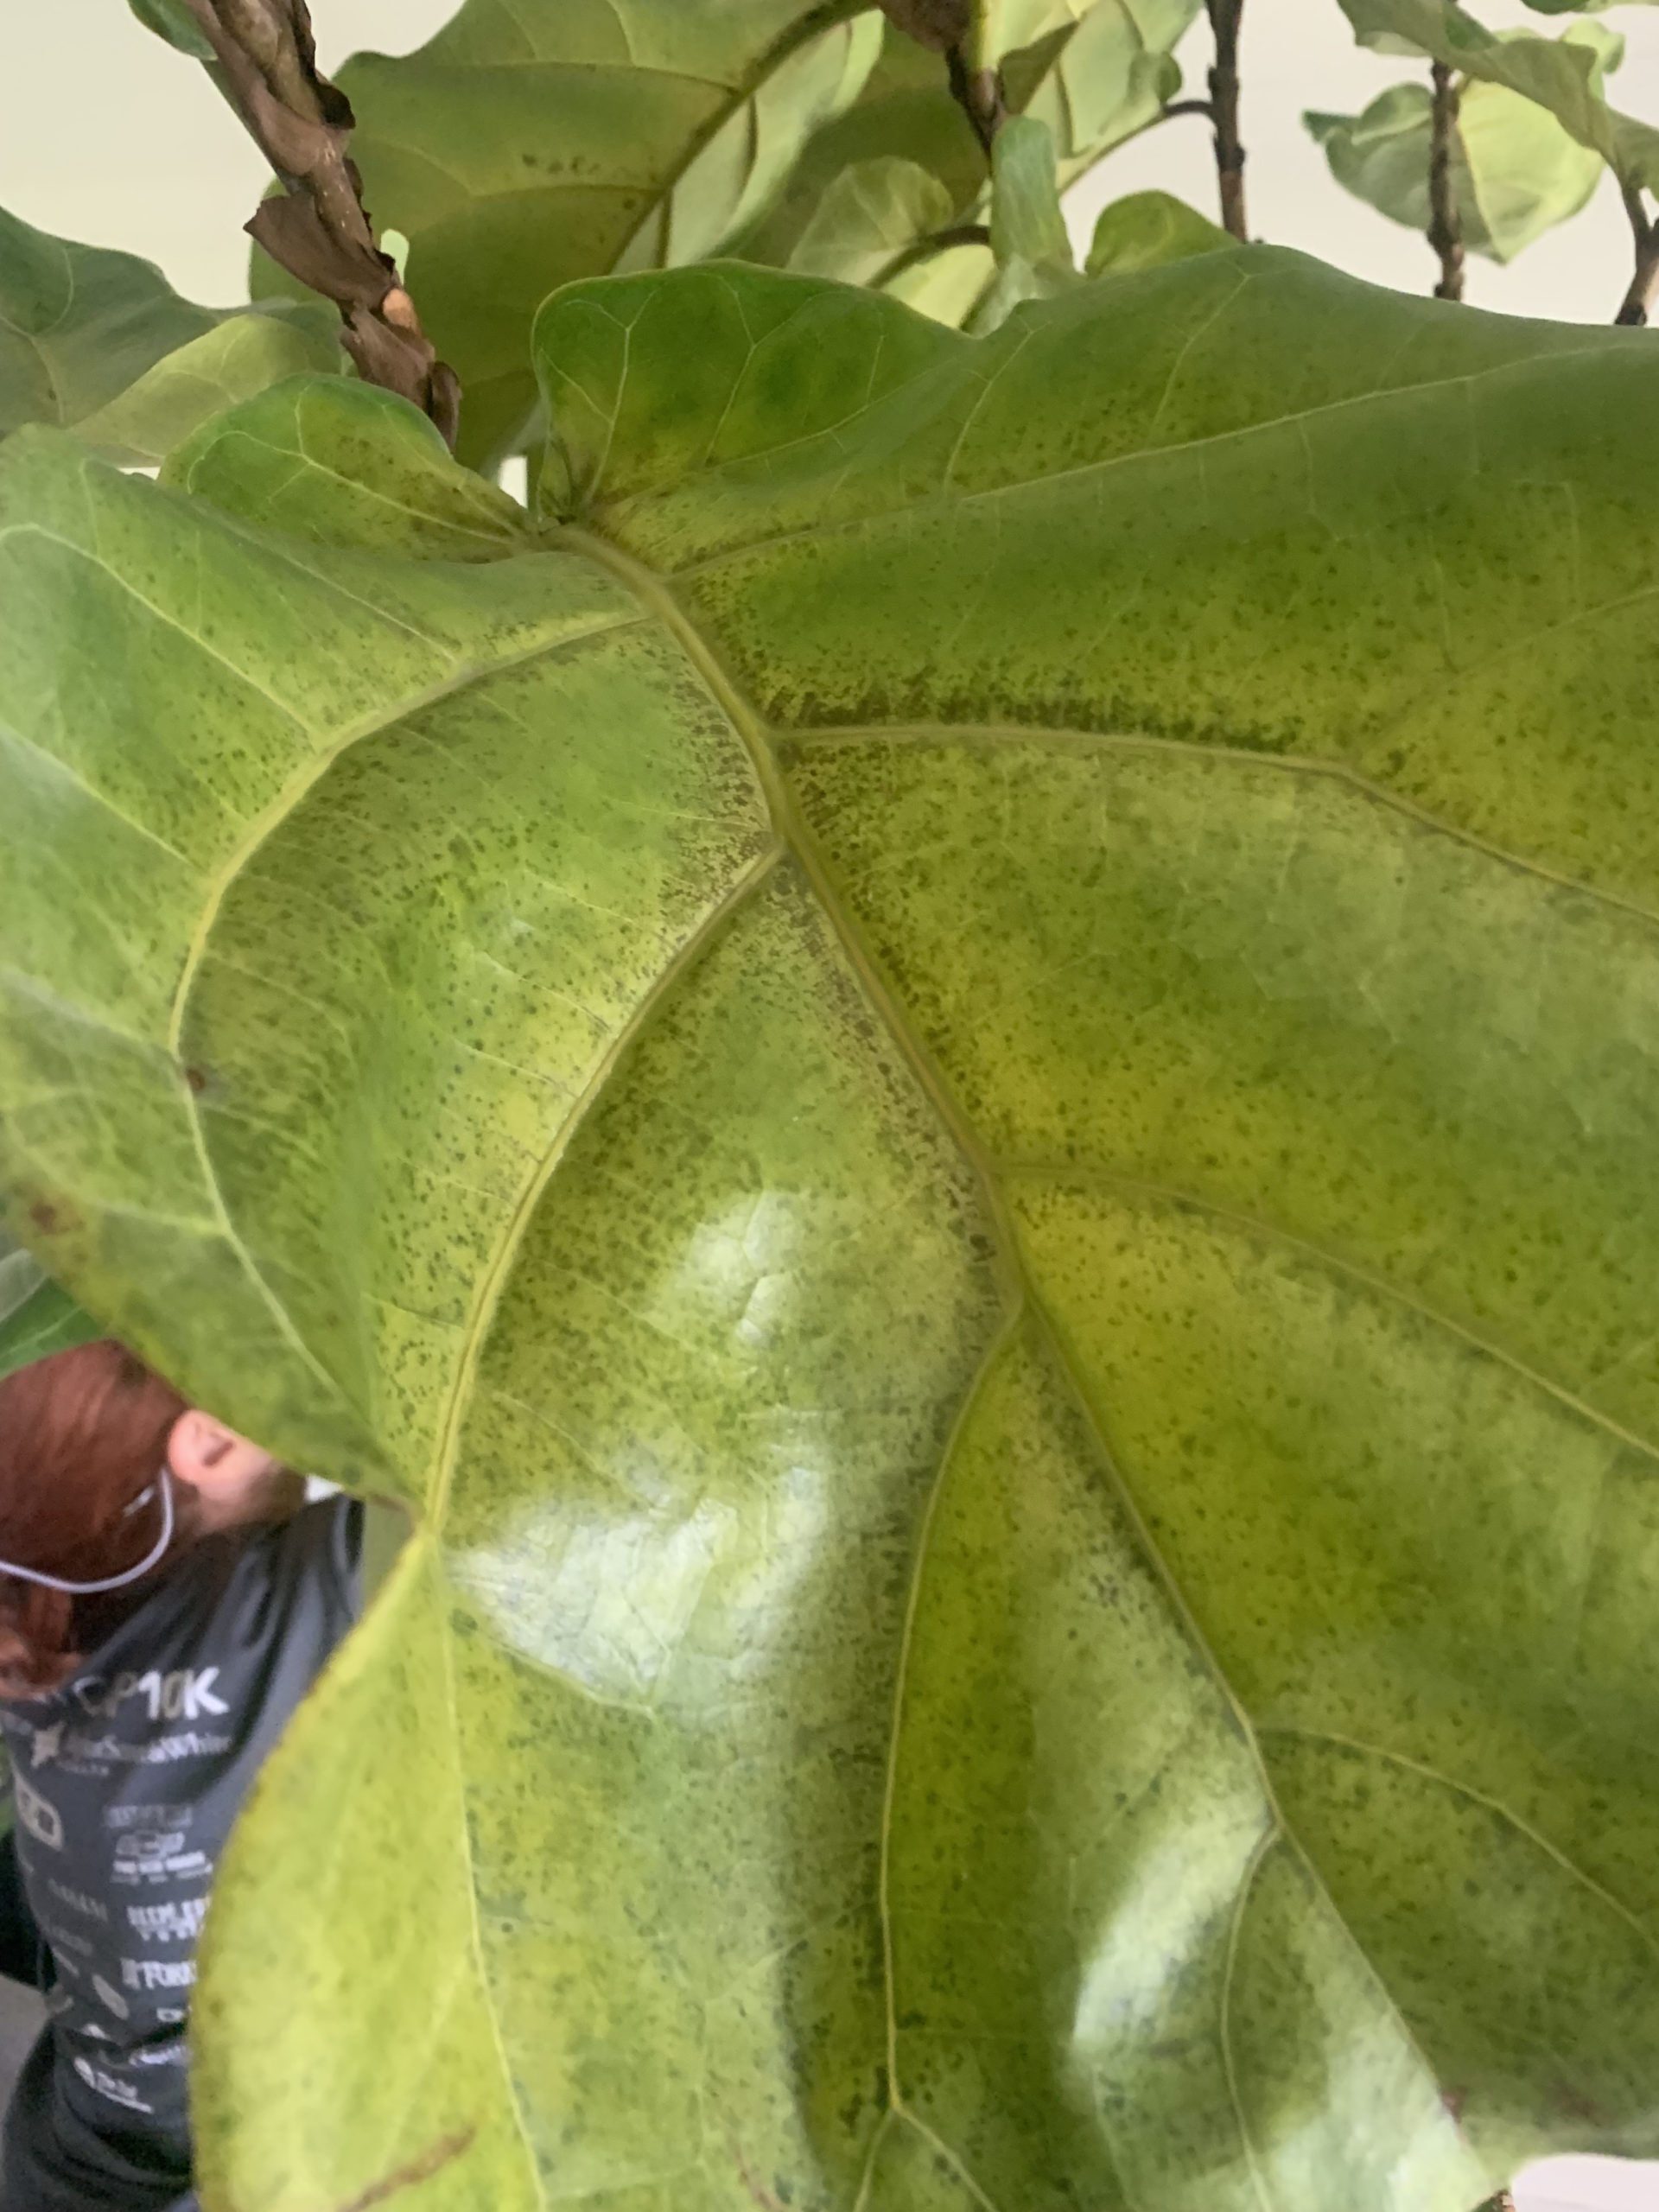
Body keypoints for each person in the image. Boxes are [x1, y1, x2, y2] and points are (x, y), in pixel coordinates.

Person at [0, 1339, 362, 2212]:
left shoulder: (29, 1634)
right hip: (233, 2179)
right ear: (208, 1442)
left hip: (79, 2153)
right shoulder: (311, 1594)